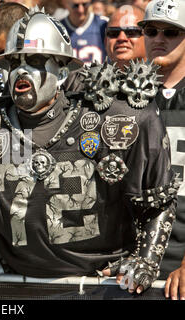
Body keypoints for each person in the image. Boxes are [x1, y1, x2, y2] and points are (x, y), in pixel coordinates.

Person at [0, 8, 178, 295]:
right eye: (15, 63)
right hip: (16, 280)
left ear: (62, 73)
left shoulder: (118, 117)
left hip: (98, 281)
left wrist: (145, 259)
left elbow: (157, 200)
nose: (22, 71)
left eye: (36, 61)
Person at [136, 0, 185, 300]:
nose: (159, 39)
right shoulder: (125, 97)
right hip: (130, 260)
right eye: (151, 30)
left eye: (171, 32)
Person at [105, 4, 146, 69]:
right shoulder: (92, 78)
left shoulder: (164, 77)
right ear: (105, 41)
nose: (121, 38)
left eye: (131, 32)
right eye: (113, 33)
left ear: (148, 38)